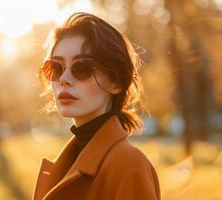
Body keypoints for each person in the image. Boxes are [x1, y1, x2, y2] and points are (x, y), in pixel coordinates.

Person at [33, 12, 160, 200]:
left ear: (116, 82)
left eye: (82, 67)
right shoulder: (69, 161)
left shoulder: (129, 165)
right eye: (56, 67)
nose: (64, 80)